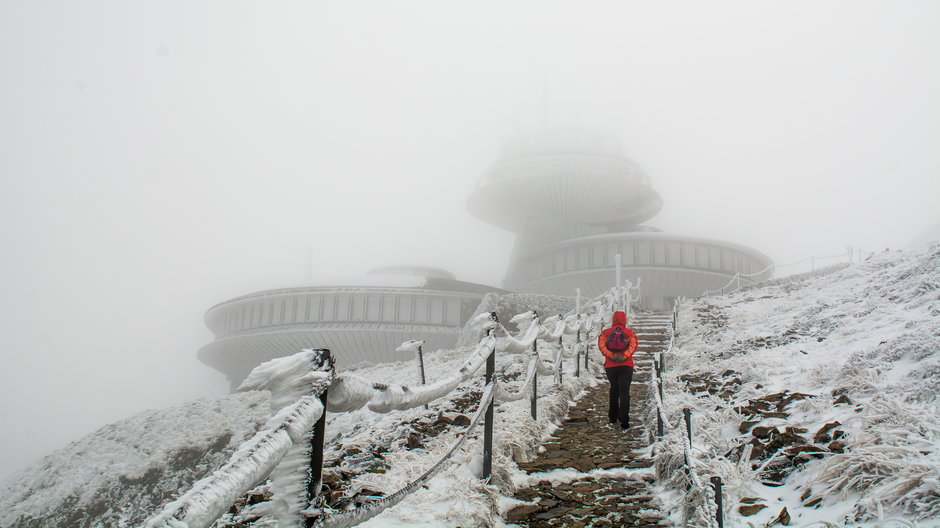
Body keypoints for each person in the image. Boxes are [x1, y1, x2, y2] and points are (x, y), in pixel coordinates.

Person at [597, 310, 638, 429]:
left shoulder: (606, 333)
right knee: (625, 392)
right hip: (626, 366)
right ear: (624, 320)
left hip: (611, 366)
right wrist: (624, 356)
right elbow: (633, 346)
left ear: (613, 319)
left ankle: (613, 417)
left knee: (614, 389)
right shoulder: (629, 333)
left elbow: (602, 346)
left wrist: (611, 356)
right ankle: (624, 420)